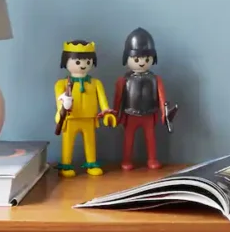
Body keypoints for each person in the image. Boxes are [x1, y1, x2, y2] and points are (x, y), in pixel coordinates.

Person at [112, 27, 172, 170]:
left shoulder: (155, 79)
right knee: (128, 139)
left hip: (149, 114)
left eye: (146, 59)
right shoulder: (124, 80)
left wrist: (165, 113)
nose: (141, 62)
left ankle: (152, 159)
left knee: (150, 138)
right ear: (127, 58)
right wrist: (115, 114)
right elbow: (118, 99)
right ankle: (127, 160)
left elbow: (162, 98)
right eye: (136, 59)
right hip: (130, 114)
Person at [55, 41, 116, 177]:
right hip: (70, 119)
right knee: (68, 143)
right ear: (66, 61)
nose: (83, 65)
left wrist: (107, 113)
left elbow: (103, 101)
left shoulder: (95, 83)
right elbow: (59, 102)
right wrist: (62, 109)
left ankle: (91, 163)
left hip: (89, 119)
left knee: (90, 142)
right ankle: (66, 165)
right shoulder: (62, 84)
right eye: (78, 62)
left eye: (87, 61)